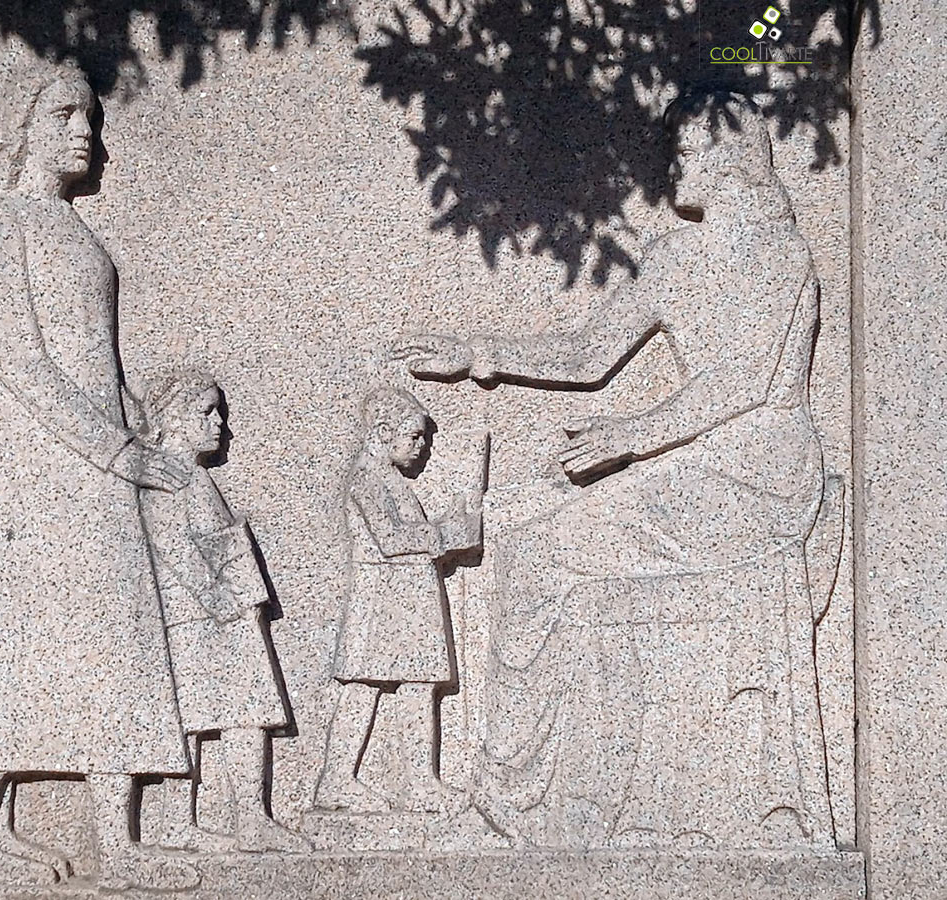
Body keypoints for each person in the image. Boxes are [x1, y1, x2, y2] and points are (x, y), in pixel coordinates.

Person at [395, 91, 833, 848]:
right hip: (692, 464)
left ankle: (531, 809)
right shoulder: (674, 258)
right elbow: (589, 354)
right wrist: (479, 356)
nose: (674, 168)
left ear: (732, 162)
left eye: (689, 152)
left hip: (761, 473)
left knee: (554, 546)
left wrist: (634, 436)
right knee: (519, 526)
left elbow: (745, 381)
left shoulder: (779, 255)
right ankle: (516, 800)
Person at [0, 66, 195, 889]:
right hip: (36, 461)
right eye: (64, 113)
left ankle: (119, 843)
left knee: (117, 633)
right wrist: (114, 449)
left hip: (99, 453)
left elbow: (101, 354)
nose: (84, 131)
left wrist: (135, 415)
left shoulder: (77, 231)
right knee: (8, 638)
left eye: (90, 116)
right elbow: (17, 357)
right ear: (23, 126)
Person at [131, 371, 306, 852]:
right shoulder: (168, 474)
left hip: (224, 611)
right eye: (205, 412)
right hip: (200, 615)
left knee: (242, 713)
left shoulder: (194, 475)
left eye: (219, 411)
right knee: (194, 716)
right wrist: (227, 598)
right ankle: (182, 820)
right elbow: (173, 549)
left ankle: (247, 817)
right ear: (171, 418)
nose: (219, 424)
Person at [314, 387, 481, 814]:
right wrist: (446, 535)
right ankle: (336, 780)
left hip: (409, 594)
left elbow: (410, 534)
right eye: (413, 437)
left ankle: (420, 780)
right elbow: (390, 539)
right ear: (384, 432)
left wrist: (450, 522)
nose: (422, 447)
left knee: (418, 687)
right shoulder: (368, 478)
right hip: (382, 596)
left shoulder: (392, 481)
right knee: (363, 688)